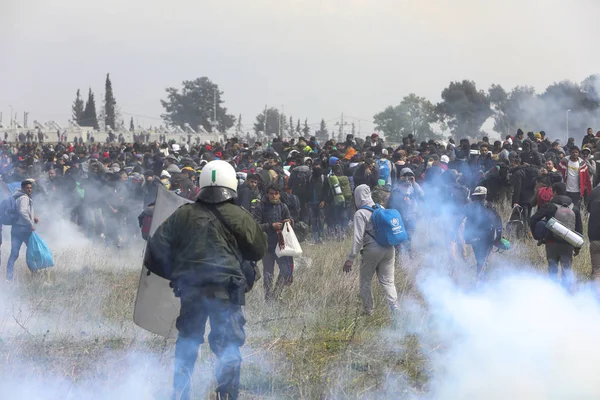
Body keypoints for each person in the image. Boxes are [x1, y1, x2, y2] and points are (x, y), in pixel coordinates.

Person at [147, 160, 267, 400]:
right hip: (227, 293)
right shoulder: (239, 216)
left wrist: (178, 273)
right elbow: (258, 251)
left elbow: (154, 251)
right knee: (228, 348)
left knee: (187, 346)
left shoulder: (183, 214)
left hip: (191, 291)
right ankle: (227, 396)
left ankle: (181, 395)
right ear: (231, 183)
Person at [343, 184, 399, 316]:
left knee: (365, 281)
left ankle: (369, 311)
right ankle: (395, 308)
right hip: (389, 248)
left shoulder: (360, 213)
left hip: (372, 250)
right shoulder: (381, 208)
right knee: (388, 281)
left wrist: (350, 258)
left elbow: (358, 239)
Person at [529, 182, 582, 288]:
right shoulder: (574, 208)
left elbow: (533, 219)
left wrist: (537, 236)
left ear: (555, 192)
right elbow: (579, 229)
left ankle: (553, 294)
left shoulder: (549, 206)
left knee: (552, 269)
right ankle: (566, 295)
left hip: (551, 243)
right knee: (566, 271)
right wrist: (577, 247)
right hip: (568, 244)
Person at [252, 183, 294, 301]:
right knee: (268, 274)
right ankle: (268, 299)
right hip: (267, 246)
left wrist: (289, 222)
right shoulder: (261, 207)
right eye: (271, 194)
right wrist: (271, 226)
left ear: (279, 194)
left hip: (281, 245)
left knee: (286, 271)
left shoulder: (283, 207)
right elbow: (255, 226)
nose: (274, 196)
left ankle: (276, 294)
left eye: (276, 194)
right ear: (267, 194)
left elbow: (290, 219)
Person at [463, 186, 503, 277]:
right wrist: (499, 236)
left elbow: (461, 219)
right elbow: (498, 221)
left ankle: (480, 276)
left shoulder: (469, 206)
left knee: (479, 258)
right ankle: (481, 277)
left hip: (473, 235)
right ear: (485, 195)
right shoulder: (490, 206)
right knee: (484, 258)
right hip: (488, 236)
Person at [6, 179, 39, 281]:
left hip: (16, 229)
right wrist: (30, 223)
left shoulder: (18, 196)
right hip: (23, 229)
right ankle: (35, 274)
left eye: (30, 188)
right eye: (27, 188)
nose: (29, 189)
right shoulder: (24, 197)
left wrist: (33, 218)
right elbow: (22, 211)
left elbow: (24, 211)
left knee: (14, 253)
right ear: (23, 188)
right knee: (31, 251)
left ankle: (9, 277)